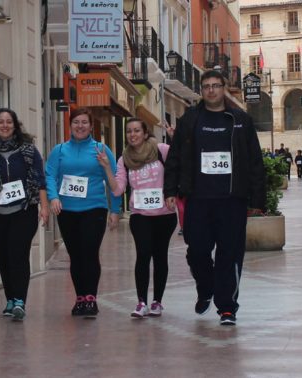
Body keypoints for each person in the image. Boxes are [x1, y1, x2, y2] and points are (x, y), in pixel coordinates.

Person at [163, 70, 266, 326]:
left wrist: (257, 200)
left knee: (229, 254)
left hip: (232, 198)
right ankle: (205, 287)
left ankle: (227, 307)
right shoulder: (190, 120)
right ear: (201, 90)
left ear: (224, 88)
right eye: (206, 86)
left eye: (216, 86)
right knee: (196, 251)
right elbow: (175, 157)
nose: (211, 90)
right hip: (198, 198)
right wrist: (170, 191)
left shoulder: (240, 119)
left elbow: (255, 160)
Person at [0, 108, 49, 321]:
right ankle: (11, 299)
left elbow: (40, 180)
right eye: (0, 122)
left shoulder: (28, 150)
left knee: (18, 254)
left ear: (15, 125)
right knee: (3, 258)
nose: (4, 125)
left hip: (24, 210)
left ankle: (20, 301)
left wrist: (44, 207)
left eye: (8, 122)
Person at [45, 108, 122, 318]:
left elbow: (114, 180)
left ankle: (91, 298)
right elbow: (50, 174)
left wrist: (115, 210)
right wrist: (53, 197)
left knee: (89, 253)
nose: (80, 126)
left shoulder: (101, 150)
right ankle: (80, 298)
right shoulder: (59, 151)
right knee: (75, 256)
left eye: (84, 123)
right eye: (76, 122)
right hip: (67, 210)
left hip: (94, 209)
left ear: (91, 126)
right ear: (70, 125)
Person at [97, 118, 177, 318]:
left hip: (164, 215)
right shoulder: (124, 159)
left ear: (144, 133)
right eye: (129, 131)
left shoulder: (161, 150)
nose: (132, 135)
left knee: (160, 257)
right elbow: (118, 190)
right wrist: (107, 168)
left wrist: (172, 193)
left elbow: (178, 165)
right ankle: (142, 301)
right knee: (143, 254)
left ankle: (157, 301)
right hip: (140, 215)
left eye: (136, 131)